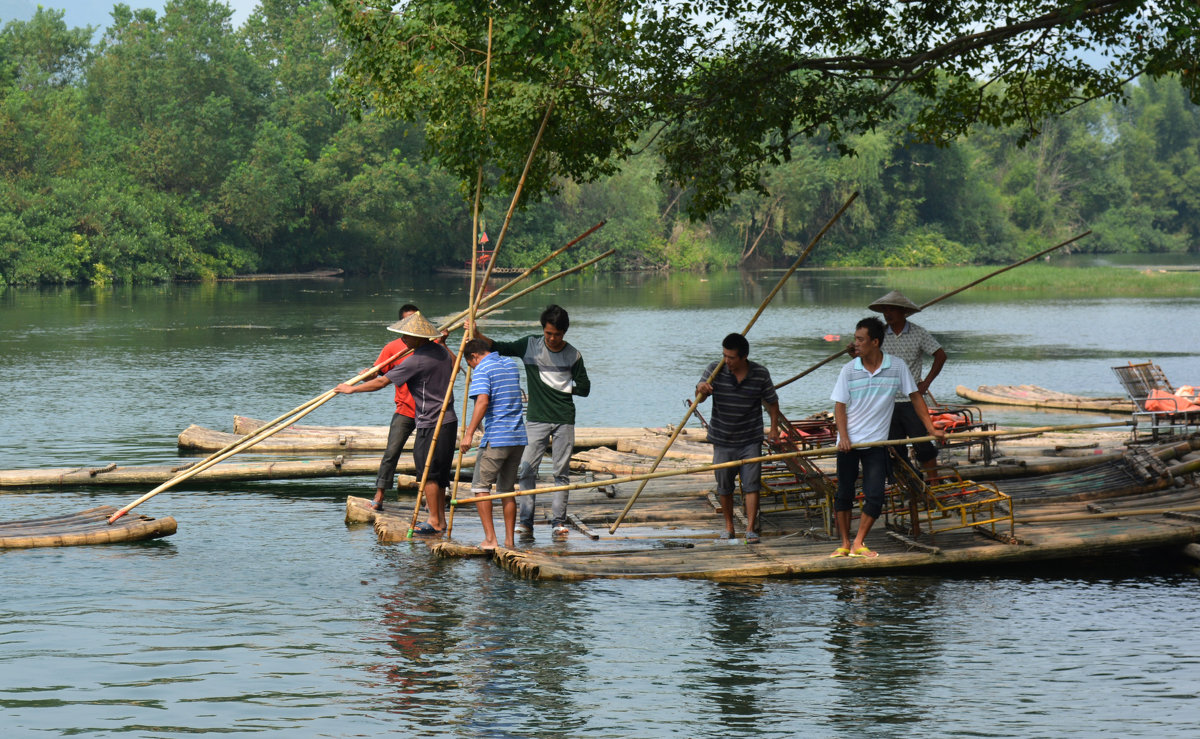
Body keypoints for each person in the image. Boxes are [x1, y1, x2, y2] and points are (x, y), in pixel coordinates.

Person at [470, 304, 590, 541]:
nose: (552, 338)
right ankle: (525, 522)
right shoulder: (531, 346)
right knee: (525, 470)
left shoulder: (573, 355)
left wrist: (564, 386)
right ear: (542, 330)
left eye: (557, 334)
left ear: (565, 332)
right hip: (536, 419)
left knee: (561, 472)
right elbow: (498, 347)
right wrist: (476, 332)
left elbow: (585, 389)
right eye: (548, 333)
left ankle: (558, 522)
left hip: (564, 418)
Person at [830, 317, 944, 558]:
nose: (855, 344)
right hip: (848, 444)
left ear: (875, 342)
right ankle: (843, 542)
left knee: (875, 495)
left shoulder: (897, 366)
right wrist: (844, 437)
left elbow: (915, 397)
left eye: (860, 340)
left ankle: (859, 543)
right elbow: (839, 407)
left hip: (876, 443)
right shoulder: (849, 370)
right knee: (844, 493)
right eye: (855, 339)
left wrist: (931, 429)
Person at [335, 311, 457, 535]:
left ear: (419, 338)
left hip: (430, 422)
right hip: (448, 419)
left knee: (428, 473)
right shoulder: (440, 351)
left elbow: (381, 382)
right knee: (439, 474)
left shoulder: (417, 359)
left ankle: (434, 521)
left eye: (407, 336)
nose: (403, 340)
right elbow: (378, 373)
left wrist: (351, 389)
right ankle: (439, 521)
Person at [695, 333, 782, 543]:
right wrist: (702, 389)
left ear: (744, 357)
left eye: (731, 357)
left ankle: (751, 529)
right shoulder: (715, 369)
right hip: (722, 439)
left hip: (750, 438)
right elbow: (701, 393)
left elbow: (772, 402)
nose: (727, 361)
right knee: (724, 485)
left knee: (752, 485)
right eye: (724, 355)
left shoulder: (760, 373)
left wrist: (773, 429)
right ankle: (729, 526)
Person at [869, 290, 948, 475]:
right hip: (887, 400)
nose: (887, 314)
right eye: (885, 310)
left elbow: (940, 355)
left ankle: (933, 483)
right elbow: (864, 358)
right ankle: (908, 485)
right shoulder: (878, 336)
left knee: (923, 446)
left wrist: (926, 383)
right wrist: (854, 352)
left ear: (903, 312)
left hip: (912, 401)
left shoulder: (918, 333)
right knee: (894, 448)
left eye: (892, 310)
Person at [459, 338, 526, 550]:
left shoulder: (482, 368)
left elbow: (483, 401)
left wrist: (469, 433)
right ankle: (509, 541)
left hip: (497, 436)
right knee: (506, 489)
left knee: (480, 487)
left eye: (470, 364)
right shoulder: (510, 364)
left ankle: (490, 539)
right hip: (517, 436)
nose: (472, 368)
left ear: (474, 357)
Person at [364, 303, 421, 511]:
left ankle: (429, 501)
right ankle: (379, 496)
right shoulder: (393, 348)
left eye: (416, 320)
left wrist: (444, 342)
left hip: (430, 411)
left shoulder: (432, 345)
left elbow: (454, 366)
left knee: (425, 457)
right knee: (391, 452)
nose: (413, 325)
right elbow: (377, 373)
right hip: (405, 409)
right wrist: (367, 373)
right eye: (408, 321)